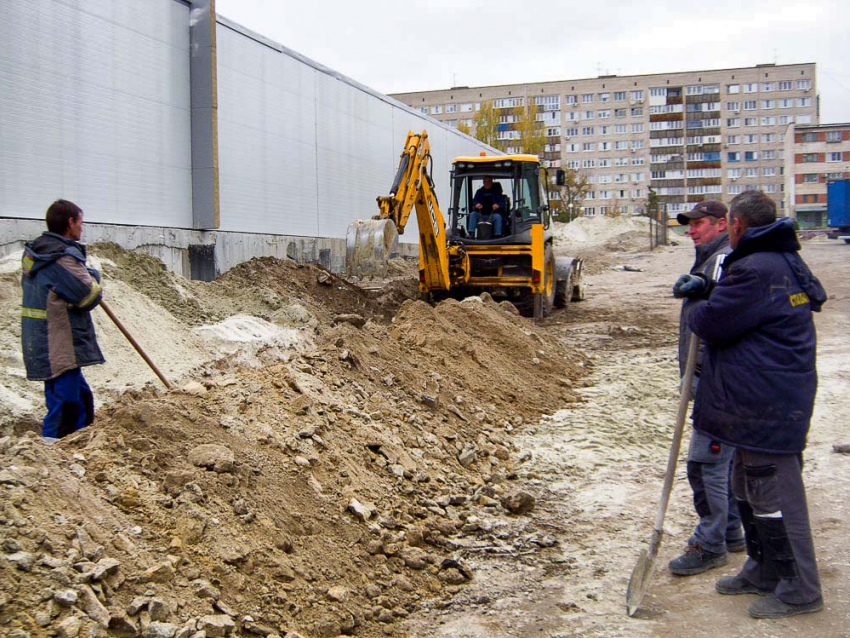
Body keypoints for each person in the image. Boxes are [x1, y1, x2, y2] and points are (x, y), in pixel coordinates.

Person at [675, 190, 826, 619]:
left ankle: (800, 587)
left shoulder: (757, 268)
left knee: (777, 494)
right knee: (748, 487)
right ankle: (763, 568)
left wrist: (698, 298)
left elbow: (710, 322)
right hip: (755, 397)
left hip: (767, 402)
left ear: (736, 225)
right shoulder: (777, 261)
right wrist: (709, 286)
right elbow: (740, 308)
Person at [668, 200, 745, 577]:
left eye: (698, 224)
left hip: (718, 380)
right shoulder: (708, 259)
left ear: (720, 224)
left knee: (705, 465)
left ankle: (710, 543)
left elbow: (728, 312)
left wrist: (705, 291)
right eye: (689, 224)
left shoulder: (723, 259)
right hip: (708, 376)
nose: (691, 230)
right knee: (722, 461)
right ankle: (730, 531)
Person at [21, 199, 104, 439]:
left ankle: (80, 444)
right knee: (65, 404)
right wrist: (93, 275)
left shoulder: (38, 253)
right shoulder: (62, 258)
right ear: (70, 223)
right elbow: (88, 295)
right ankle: (52, 452)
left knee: (82, 398)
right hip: (57, 342)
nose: (81, 228)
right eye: (80, 222)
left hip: (45, 337)